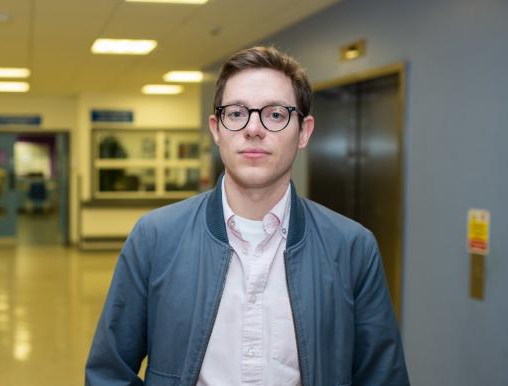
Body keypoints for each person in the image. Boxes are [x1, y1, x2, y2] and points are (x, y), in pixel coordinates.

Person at [85, 46, 409, 386]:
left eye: (275, 114)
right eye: (237, 113)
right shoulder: (155, 237)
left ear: (304, 131)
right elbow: (109, 373)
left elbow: (382, 377)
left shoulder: (352, 247)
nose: (253, 129)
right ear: (216, 129)